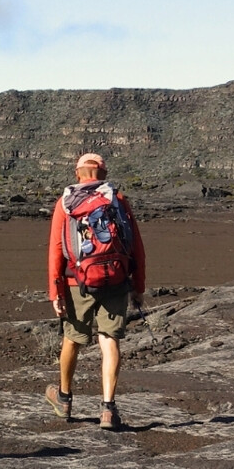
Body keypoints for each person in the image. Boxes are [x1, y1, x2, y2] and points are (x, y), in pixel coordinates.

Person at [45, 152, 147, 429]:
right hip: (115, 278)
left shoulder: (65, 203)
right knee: (109, 340)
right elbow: (136, 246)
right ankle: (108, 410)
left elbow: (57, 249)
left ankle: (64, 400)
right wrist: (138, 287)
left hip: (77, 281)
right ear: (103, 174)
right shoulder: (118, 201)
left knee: (73, 339)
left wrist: (55, 290)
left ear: (77, 173)